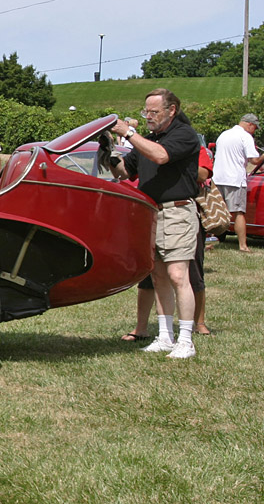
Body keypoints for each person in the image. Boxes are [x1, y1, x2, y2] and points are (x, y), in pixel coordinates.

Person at [109, 89, 200, 359]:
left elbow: (161, 156)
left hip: (177, 212)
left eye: (153, 112)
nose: (148, 117)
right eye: (145, 112)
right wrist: (111, 155)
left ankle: (185, 339)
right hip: (152, 213)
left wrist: (129, 134)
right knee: (158, 276)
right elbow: (125, 172)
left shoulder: (184, 134)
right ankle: (165, 336)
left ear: (172, 110)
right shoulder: (148, 139)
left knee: (177, 276)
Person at [122, 136, 213, 341]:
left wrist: (178, 162)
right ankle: (142, 327)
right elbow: (125, 171)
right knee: (151, 275)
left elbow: (203, 173)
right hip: (153, 213)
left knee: (190, 273)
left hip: (183, 215)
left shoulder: (189, 144)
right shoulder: (147, 147)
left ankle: (198, 323)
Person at [212, 113, 264, 253]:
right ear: (250, 125)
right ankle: (242, 245)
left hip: (217, 178)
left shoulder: (224, 134)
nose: (254, 131)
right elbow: (255, 161)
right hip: (234, 179)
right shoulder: (245, 136)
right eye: (255, 128)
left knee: (215, 212)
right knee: (239, 212)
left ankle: (209, 242)